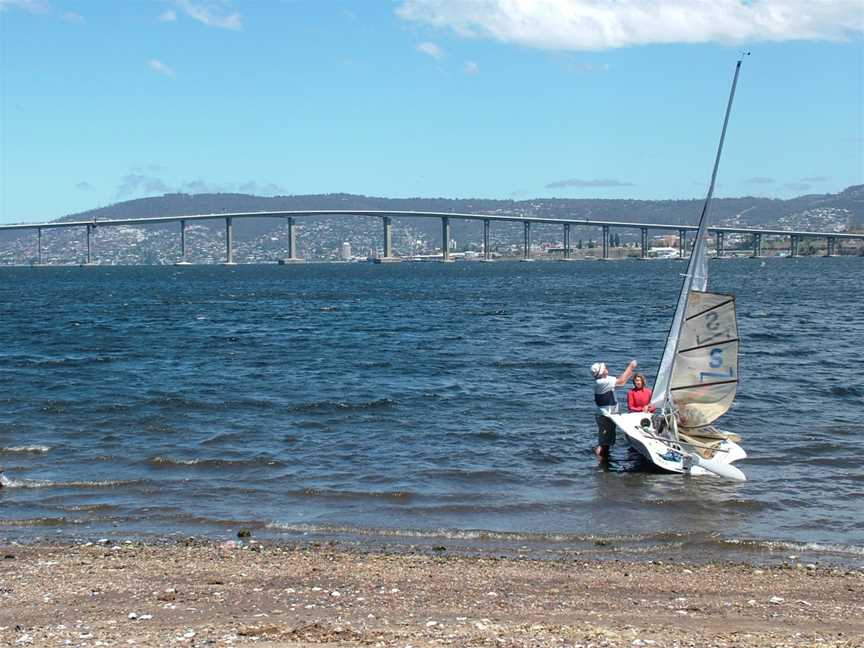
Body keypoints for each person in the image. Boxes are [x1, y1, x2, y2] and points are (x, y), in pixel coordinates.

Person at [591, 359, 637, 459]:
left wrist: (630, 373)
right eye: (604, 368)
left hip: (607, 415)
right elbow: (621, 382)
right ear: (602, 372)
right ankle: (600, 464)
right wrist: (631, 367)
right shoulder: (602, 382)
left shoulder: (605, 380)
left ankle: (603, 461)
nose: (607, 368)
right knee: (604, 444)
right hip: (605, 416)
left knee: (606, 442)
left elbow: (621, 382)